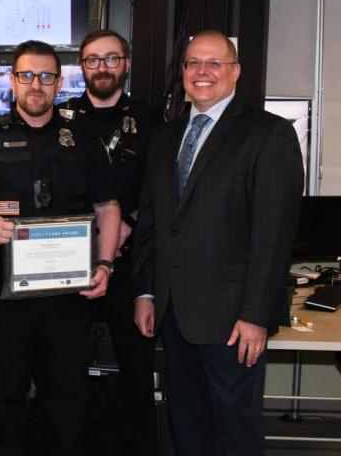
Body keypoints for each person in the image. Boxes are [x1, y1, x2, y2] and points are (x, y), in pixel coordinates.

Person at [132, 29, 303, 455]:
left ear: (235, 72)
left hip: (233, 320)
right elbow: (153, 222)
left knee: (234, 429)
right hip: (173, 314)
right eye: (193, 63)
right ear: (183, 72)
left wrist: (256, 315)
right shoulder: (167, 136)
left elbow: (274, 233)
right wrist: (146, 292)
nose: (202, 72)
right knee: (187, 424)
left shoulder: (270, 134)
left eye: (214, 63)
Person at [0, 39, 120, 455]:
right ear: (13, 81)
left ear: (59, 82)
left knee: (66, 402)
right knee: (1, 401)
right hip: (1, 298)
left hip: (68, 298)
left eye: (46, 76)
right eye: (27, 75)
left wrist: (105, 264)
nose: (36, 85)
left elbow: (108, 207)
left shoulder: (82, 138)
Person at [55, 29, 162, 455]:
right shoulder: (61, 120)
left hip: (132, 264)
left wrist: (126, 228)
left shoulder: (151, 120)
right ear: (81, 66)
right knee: (65, 372)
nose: (102, 67)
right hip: (70, 262)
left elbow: (163, 188)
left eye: (111, 59)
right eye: (93, 59)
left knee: (136, 371)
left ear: (127, 64)